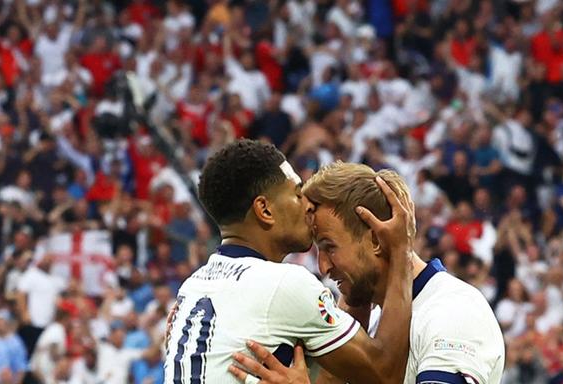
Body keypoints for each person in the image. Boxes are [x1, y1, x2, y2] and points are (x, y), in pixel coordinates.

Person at [164, 140, 414, 383]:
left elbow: (339, 372)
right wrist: (401, 249)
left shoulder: (192, 287)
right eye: (297, 194)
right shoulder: (283, 284)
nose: (308, 204)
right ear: (265, 210)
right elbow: (385, 373)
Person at [231, 162, 505, 384]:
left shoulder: (453, 312)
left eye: (329, 247)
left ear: (375, 239)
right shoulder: (373, 325)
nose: (324, 267)